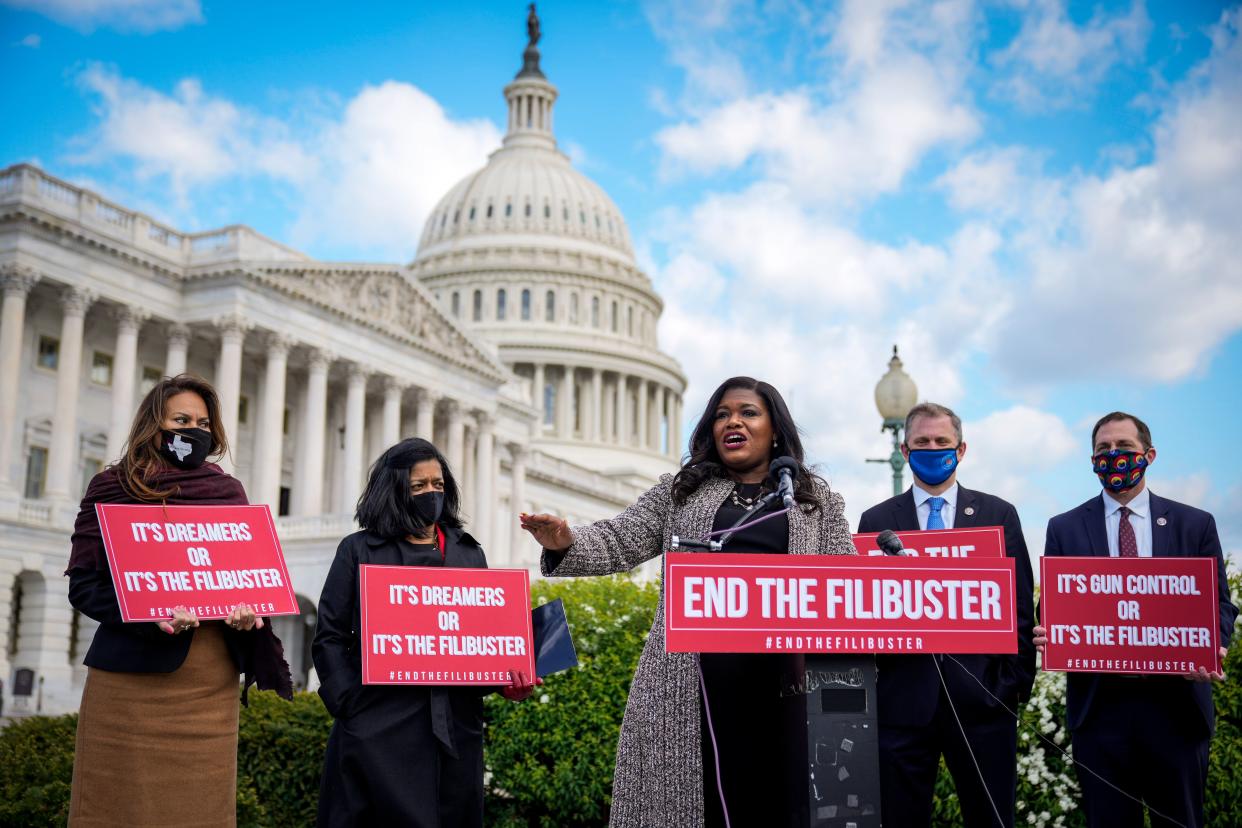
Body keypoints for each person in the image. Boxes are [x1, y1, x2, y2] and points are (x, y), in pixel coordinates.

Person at [520, 376, 855, 828]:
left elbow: (850, 590)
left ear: (775, 429)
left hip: (786, 686)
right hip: (691, 683)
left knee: (778, 800)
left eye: (747, 413)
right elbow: (621, 538)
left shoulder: (817, 505)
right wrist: (566, 541)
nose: (732, 422)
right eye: (722, 414)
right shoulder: (682, 492)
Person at [66, 374, 292, 826]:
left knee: (200, 812)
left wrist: (251, 618)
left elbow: (249, 583)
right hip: (130, 686)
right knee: (116, 809)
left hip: (209, 687)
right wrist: (151, 616)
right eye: (181, 419)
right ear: (155, 425)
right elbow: (84, 586)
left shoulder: (229, 494)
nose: (194, 430)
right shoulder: (113, 488)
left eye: (203, 422)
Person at [313, 438, 536, 827]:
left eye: (438, 484)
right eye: (419, 486)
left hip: (455, 728)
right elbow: (330, 636)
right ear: (395, 489)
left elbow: (476, 645)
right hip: (378, 728)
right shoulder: (359, 550)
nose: (431, 493)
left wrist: (505, 680)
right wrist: (351, 705)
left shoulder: (469, 553)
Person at [1036, 411, 1237, 828]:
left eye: (1123, 448)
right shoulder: (1065, 528)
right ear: (1091, 460)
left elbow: (1219, 603)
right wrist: (1047, 629)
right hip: (1100, 712)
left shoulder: (1195, 524)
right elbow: (1055, 606)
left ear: (1149, 454)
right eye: (1103, 450)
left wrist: (1213, 646)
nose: (1113, 456)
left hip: (1176, 710)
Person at [856, 402, 1035, 828]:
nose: (932, 449)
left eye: (942, 442)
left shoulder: (998, 515)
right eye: (922, 442)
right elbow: (863, 611)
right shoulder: (877, 520)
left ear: (961, 448)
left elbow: (1021, 609)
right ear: (905, 448)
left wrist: (1010, 687)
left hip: (984, 704)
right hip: (902, 706)